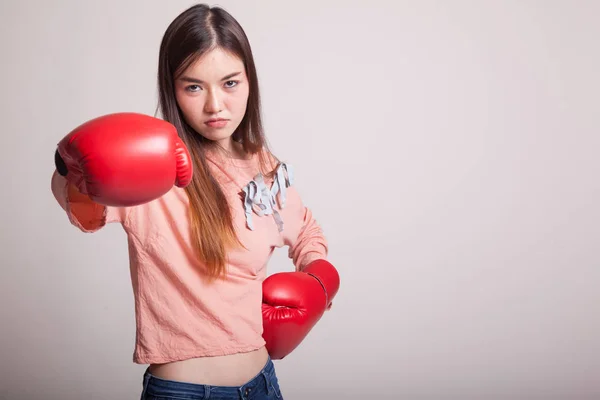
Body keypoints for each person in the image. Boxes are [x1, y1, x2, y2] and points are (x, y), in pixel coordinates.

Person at [50, 3, 340, 400]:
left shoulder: (263, 166)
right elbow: (79, 204)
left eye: (230, 83)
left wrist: (319, 279)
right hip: (181, 391)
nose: (215, 105)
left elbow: (305, 229)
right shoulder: (152, 167)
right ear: (172, 88)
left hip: (262, 385)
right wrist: (70, 167)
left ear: (249, 82)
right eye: (193, 86)